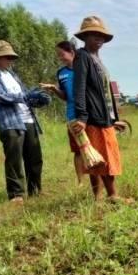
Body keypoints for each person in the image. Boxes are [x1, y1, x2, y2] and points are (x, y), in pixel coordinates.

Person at [0, 40, 50, 202]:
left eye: (11, 57)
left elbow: (25, 95)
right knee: (14, 158)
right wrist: (24, 97)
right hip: (10, 121)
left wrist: (36, 100)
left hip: (29, 119)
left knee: (34, 157)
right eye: (7, 57)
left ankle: (35, 190)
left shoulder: (12, 74)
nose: (10, 61)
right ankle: (16, 194)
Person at [71, 15, 125, 201]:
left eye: (101, 35)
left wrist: (113, 118)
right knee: (102, 156)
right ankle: (112, 195)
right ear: (84, 37)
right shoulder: (82, 57)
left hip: (104, 116)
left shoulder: (97, 59)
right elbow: (80, 88)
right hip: (93, 116)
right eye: (93, 34)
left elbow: (105, 93)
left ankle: (99, 197)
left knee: (96, 156)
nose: (98, 38)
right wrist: (82, 117)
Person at [40, 40, 85, 184]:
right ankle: (80, 181)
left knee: (93, 147)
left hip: (88, 115)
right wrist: (54, 89)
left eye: (62, 54)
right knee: (78, 150)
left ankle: (96, 180)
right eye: (58, 56)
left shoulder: (83, 67)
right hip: (72, 116)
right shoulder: (61, 73)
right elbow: (65, 96)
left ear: (71, 52)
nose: (60, 58)